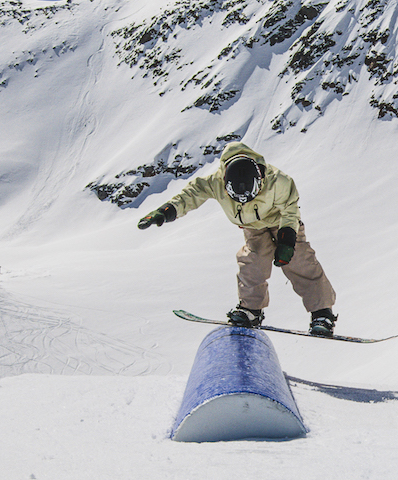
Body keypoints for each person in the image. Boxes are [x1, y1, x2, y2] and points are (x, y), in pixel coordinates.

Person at [138, 142, 339, 335]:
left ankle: (322, 313)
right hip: (252, 227)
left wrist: (286, 242)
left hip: (281, 222)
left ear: (259, 180)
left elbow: (290, 211)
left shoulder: (279, 180)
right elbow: (190, 195)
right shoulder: (215, 182)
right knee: (254, 261)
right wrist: (165, 211)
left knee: (299, 259)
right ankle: (251, 310)